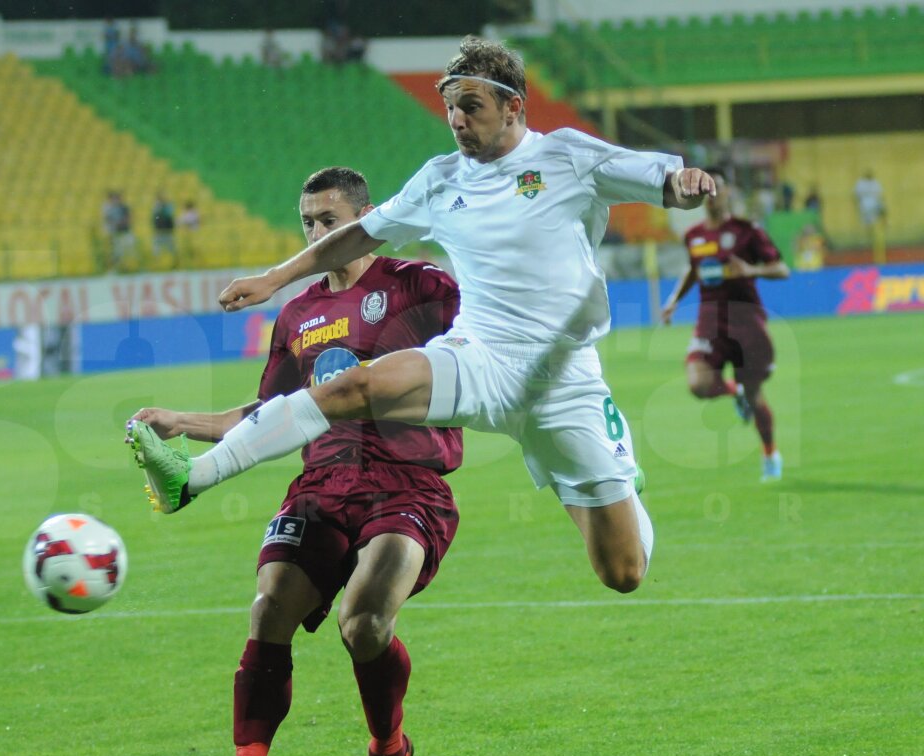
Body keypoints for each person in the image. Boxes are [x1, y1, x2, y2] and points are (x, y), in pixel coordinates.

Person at [129, 36, 718, 597]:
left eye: (471, 107)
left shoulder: (566, 155)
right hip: (479, 356)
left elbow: (667, 183)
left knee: (623, 572)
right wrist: (275, 278)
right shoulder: (440, 181)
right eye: (449, 109)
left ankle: (621, 481)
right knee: (351, 385)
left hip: (563, 383)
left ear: (513, 105)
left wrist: (686, 183)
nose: (457, 120)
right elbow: (357, 236)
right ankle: (193, 477)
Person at [128, 167, 462, 756]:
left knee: (364, 623)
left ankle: (387, 754)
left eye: (328, 222)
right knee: (270, 604)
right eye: (307, 222)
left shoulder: (422, 287)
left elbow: (488, 351)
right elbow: (271, 411)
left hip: (408, 481)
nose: (315, 233)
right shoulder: (299, 314)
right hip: (322, 484)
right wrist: (184, 422)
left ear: (367, 218)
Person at [661, 167, 790, 482]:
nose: (712, 195)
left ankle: (770, 452)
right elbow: (694, 269)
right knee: (698, 384)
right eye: (707, 189)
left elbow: (781, 268)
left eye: (717, 188)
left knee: (757, 397)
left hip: (747, 322)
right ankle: (736, 393)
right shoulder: (694, 236)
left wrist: (748, 270)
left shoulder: (747, 231)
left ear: (728, 192)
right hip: (710, 321)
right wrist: (675, 299)